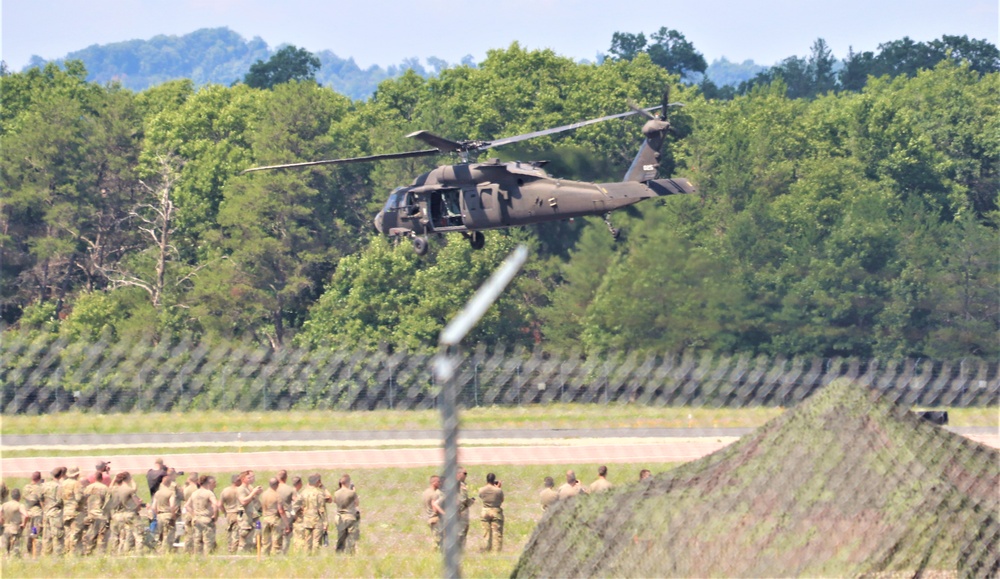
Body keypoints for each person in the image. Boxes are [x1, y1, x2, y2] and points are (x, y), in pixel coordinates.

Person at [108, 472, 143, 555]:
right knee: (137, 534)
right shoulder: (128, 489)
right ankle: (137, 553)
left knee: (116, 535)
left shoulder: (114, 489)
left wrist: (114, 479)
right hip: (128, 513)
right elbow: (135, 491)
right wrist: (132, 480)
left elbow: (109, 488)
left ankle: (114, 552)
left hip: (116, 515)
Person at [185, 475, 218, 554]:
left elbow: (187, 506)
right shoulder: (209, 493)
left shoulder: (194, 493)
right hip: (206, 518)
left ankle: (197, 556)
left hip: (196, 519)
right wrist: (215, 516)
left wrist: (194, 514)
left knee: (197, 541)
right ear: (208, 483)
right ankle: (208, 557)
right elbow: (215, 504)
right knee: (208, 541)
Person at [298, 474, 329, 554]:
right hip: (317, 520)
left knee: (307, 541)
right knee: (316, 542)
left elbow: (300, 506)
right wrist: (325, 522)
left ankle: (306, 557)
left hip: (306, 519)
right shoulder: (319, 493)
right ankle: (315, 557)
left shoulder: (303, 493)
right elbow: (322, 509)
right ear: (318, 481)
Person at [82, 470, 111, 555]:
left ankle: (88, 552)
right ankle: (100, 554)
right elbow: (108, 503)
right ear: (102, 478)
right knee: (101, 537)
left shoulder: (88, 488)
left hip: (90, 515)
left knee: (89, 535)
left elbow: (83, 501)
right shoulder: (105, 488)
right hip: (101, 515)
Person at [149, 469, 178, 553]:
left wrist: (157, 513)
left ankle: (159, 551)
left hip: (159, 516)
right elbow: (172, 505)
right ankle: (166, 552)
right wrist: (173, 515)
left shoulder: (157, 493)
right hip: (168, 515)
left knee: (160, 536)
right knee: (168, 536)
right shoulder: (170, 492)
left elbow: (153, 507)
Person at [258, 477, 287, 556]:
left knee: (265, 542)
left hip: (265, 519)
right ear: (277, 485)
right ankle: (275, 558)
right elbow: (281, 510)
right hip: (275, 519)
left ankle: (264, 557)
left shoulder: (263, 494)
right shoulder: (277, 495)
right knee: (276, 542)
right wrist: (286, 523)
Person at [61, 466, 86, 555]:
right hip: (75, 512)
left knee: (67, 534)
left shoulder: (63, 483)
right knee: (75, 533)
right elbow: (79, 498)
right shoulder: (76, 484)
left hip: (65, 511)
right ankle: (73, 553)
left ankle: (66, 551)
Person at [41, 466, 65, 556]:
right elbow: (60, 500)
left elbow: (41, 498)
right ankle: (58, 555)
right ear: (61, 475)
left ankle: (46, 554)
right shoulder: (59, 486)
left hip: (46, 512)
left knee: (46, 536)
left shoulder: (45, 485)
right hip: (55, 513)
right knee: (58, 536)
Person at [237, 470, 263, 552]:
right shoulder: (241, 489)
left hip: (252, 516)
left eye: (253, 477)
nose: (252, 479)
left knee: (254, 538)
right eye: (249, 477)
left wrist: (257, 493)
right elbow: (243, 501)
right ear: (243, 478)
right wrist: (253, 493)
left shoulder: (250, 488)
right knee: (244, 538)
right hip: (245, 518)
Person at [478, 473, 504, 552]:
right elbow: (502, 500)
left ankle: (485, 549)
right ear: (494, 480)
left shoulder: (481, 489)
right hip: (495, 511)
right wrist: (498, 487)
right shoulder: (498, 490)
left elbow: (481, 497)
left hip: (485, 511)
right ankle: (496, 552)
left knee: (486, 533)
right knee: (497, 533)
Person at [333, 474, 359, 554]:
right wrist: (354, 491)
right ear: (348, 482)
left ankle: (339, 552)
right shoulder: (351, 493)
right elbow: (356, 503)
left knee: (341, 537)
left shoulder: (336, 493)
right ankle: (351, 553)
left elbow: (335, 501)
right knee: (351, 537)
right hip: (350, 516)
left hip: (339, 517)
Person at [218, 473, 243, 554]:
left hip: (229, 513)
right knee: (236, 534)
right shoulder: (240, 490)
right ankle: (233, 551)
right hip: (238, 513)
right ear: (237, 481)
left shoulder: (225, 490)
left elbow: (220, 504)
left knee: (229, 532)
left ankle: (229, 549)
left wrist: (225, 512)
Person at [1, 488, 28, 558]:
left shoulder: (4, 505)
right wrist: (23, 524)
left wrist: (2, 522)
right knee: (15, 550)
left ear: (11, 496)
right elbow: (26, 515)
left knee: (6, 550)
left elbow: (0, 515)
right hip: (15, 530)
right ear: (19, 497)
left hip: (5, 529)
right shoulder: (19, 505)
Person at [22, 471, 43, 557]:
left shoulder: (26, 488)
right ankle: (36, 553)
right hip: (36, 514)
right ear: (39, 479)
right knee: (35, 533)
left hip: (28, 513)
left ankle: (28, 551)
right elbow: (41, 501)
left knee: (28, 534)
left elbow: (24, 497)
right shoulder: (40, 488)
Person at [422, 475, 444, 550]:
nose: (440, 483)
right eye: (439, 482)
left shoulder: (425, 492)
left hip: (429, 518)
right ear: (434, 482)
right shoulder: (434, 494)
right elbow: (435, 508)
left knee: (436, 537)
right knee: (438, 539)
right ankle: (434, 552)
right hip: (435, 518)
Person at [275, 470, 295, 553]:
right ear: (286, 478)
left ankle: (275, 551)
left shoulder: (273, 488)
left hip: (274, 514)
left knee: (275, 535)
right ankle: (284, 553)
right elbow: (296, 501)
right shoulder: (290, 489)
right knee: (286, 536)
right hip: (286, 514)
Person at [456, 468, 475, 550]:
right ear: (459, 474)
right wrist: (470, 501)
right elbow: (463, 500)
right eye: (465, 473)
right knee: (462, 531)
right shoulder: (461, 485)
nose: (466, 475)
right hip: (461, 511)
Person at [180, 472, 200, 553]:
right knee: (197, 532)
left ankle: (187, 550)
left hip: (187, 512)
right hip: (195, 511)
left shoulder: (186, 489)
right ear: (196, 479)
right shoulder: (197, 489)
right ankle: (196, 550)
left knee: (188, 533)